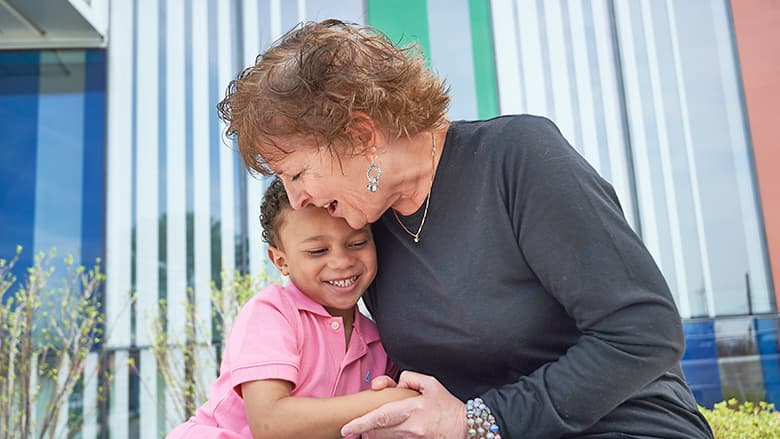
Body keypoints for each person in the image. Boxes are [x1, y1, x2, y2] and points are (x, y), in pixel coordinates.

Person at [217, 19, 714, 439]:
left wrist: (480, 420)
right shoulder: (367, 229)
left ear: (360, 135)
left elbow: (644, 333)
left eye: (298, 172)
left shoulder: (516, 158)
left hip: (622, 424)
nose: (299, 198)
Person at [167, 178, 417, 439]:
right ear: (281, 261)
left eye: (357, 243)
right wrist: (387, 401)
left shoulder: (378, 341)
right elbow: (270, 424)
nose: (342, 262)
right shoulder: (271, 313)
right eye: (318, 250)